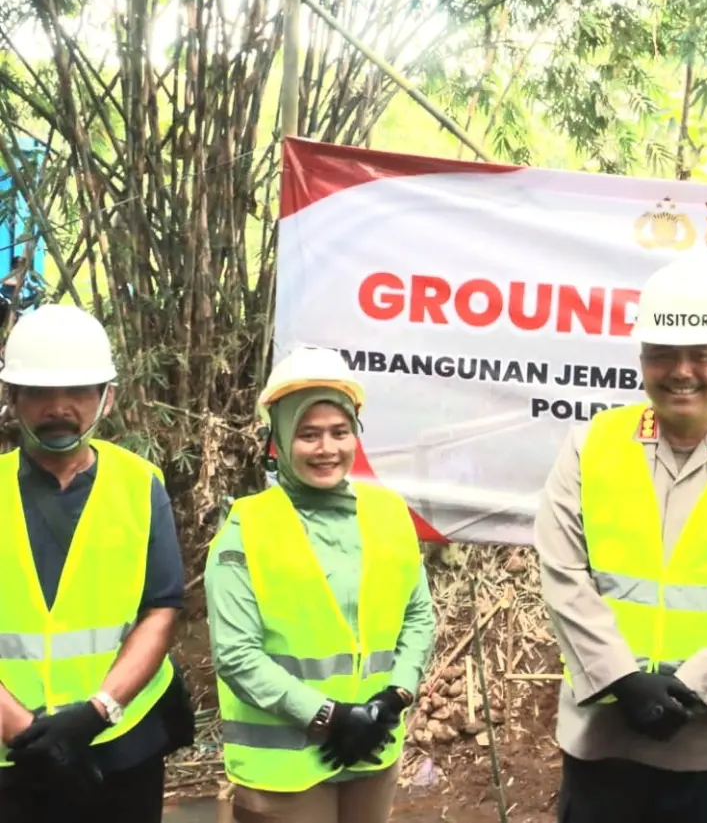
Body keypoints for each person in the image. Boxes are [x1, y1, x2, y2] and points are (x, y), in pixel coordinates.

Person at [536, 258, 707, 823]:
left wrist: (695, 685)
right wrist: (623, 680)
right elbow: (563, 573)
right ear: (641, 362)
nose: (681, 371)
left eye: (701, 355)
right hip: (602, 729)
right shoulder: (591, 446)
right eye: (663, 353)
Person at [205, 346, 435, 823]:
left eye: (339, 432)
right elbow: (236, 655)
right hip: (285, 768)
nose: (327, 449)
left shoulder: (389, 514)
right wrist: (329, 716)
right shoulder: (248, 528)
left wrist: (394, 699)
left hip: (373, 748)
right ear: (280, 439)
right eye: (308, 434)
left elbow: (417, 615)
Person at [0, 304, 191, 823]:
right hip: (13, 756)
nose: (59, 408)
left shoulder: (139, 484)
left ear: (107, 396)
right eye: (39, 392)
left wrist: (95, 713)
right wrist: (25, 733)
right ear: (12, 396)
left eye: (79, 391)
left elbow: (159, 610)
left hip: (120, 740)